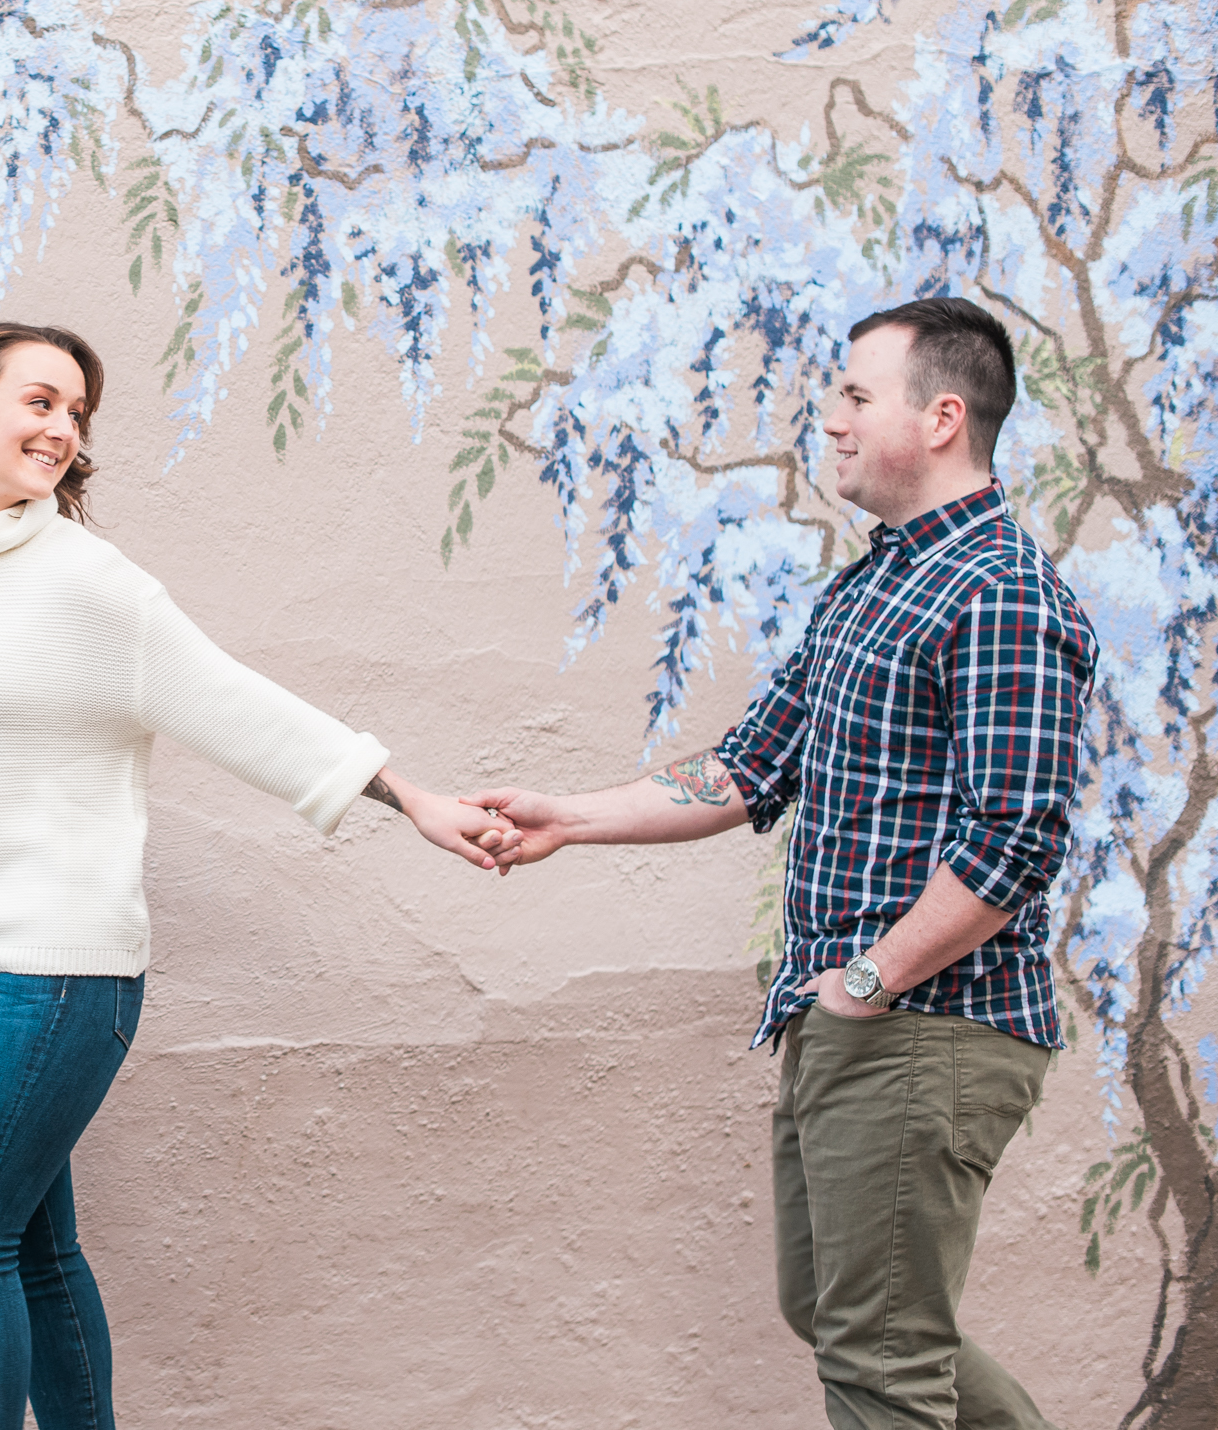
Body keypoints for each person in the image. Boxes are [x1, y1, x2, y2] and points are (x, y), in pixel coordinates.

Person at [0, 321, 511, 1430]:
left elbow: (242, 708)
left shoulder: (91, 587)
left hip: (61, 972)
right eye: (38, 401)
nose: (61, 428)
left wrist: (407, 793)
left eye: (75, 412)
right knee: (30, 1247)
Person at [469, 296, 1096, 1430]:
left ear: (941, 415)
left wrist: (868, 981)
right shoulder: (876, 584)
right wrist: (566, 815)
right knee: (843, 1313)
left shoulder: (998, 590)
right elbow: (749, 767)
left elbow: (1015, 838)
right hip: (859, 1020)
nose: (834, 418)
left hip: (921, 1024)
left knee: (880, 1361)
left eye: (857, 395)